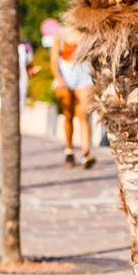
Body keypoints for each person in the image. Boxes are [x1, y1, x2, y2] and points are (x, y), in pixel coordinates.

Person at [51, 18, 97, 169]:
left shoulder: (88, 33)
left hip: (83, 76)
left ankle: (86, 153)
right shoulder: (61, 34)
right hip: (66, 76)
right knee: (68, 116)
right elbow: (54, 61)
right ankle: (69, 150)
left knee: (84, 114)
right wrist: (60, 80)